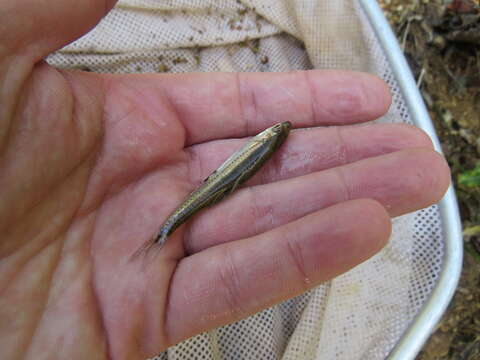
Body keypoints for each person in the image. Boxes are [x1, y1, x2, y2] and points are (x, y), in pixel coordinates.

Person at [0, 1, 451, 359]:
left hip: (211, 184)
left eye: (274, 133)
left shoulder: (267, 139)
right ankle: (163, 230)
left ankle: (164, 230)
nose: (273, 132)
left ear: (268, 138)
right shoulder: (266, 142)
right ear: (270, 136)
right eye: (275, 132)